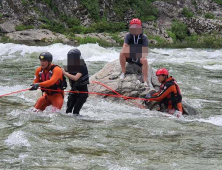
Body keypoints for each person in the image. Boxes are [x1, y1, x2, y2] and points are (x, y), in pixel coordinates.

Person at [119, 18, 149, 86]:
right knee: (122, 52)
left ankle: (145, 80)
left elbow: (144, 52)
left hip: (139, 56)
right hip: (131, 55)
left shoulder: (144, 37)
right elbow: (124, 47)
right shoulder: (128, 35)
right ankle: (123, 72)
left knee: (144, 60)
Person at [62, 49, 89, 115]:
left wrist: (64, 73)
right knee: (68, 111)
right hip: (73, 91)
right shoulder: (67, 65)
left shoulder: (82, 66)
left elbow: (75, 78)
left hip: (82, 93)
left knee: (75, 112)